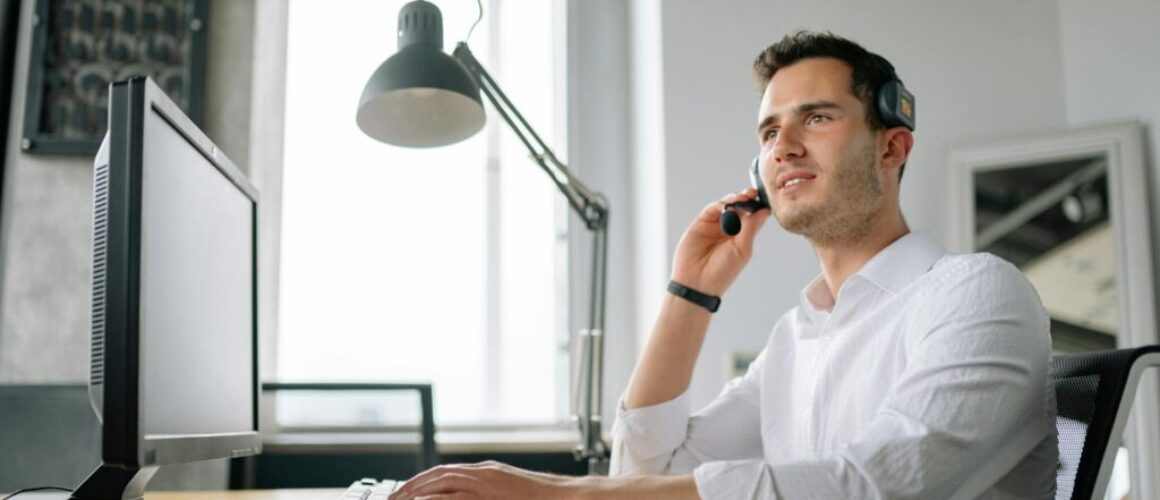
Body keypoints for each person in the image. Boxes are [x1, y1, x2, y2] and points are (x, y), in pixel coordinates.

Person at [389, 30, 1057, 500]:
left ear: (892, 147)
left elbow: (884, 486)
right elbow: (644, 471)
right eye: (769, 133)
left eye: (816, 118)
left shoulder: (976, 293)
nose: (785, 147)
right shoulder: (799, 338)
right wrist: (689, 294)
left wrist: (561, 495)